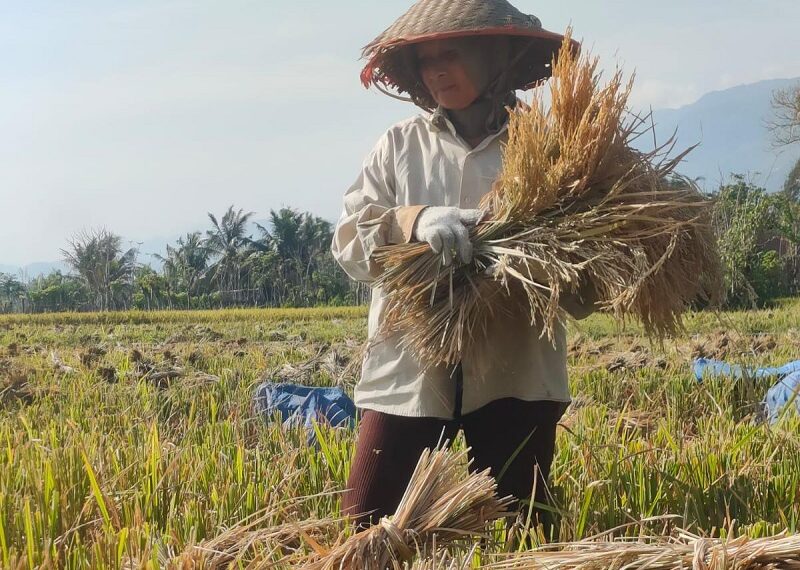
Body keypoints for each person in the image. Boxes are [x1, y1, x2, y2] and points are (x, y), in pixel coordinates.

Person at [331, 0, 596, 529]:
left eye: (452, 53)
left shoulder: (552, 150)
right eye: (426, 59)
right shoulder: (398, 147)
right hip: (408, 367)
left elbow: (586, 292)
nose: (437, 69)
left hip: (514, 368)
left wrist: (528, 255)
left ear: (497, 55)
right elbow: (349, 247)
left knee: (526, 531)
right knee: (366, 526)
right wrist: (413, 220)